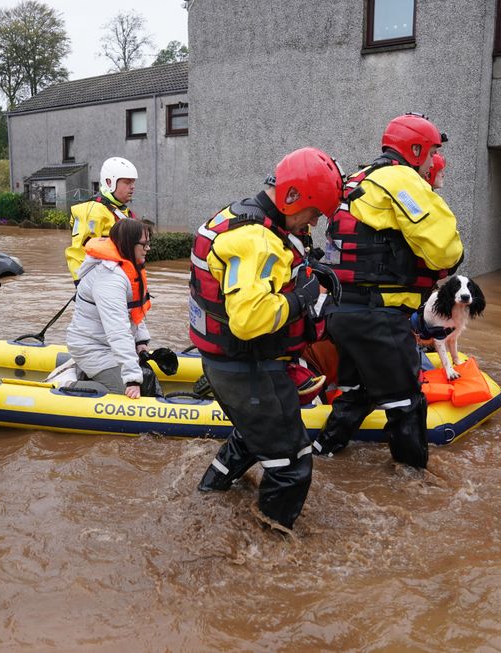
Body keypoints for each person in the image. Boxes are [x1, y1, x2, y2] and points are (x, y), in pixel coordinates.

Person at [190, 147, 344, 530]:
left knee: (253, 435)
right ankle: (271, 555)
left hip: (234, 361)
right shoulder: (257, 240)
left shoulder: (242, 214)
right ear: (292, 197)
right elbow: (248, 319)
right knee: (292, 464)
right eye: (313, 213)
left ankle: (208, 494)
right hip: (244, 363)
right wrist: (302, 298)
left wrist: (310, 273)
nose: (312, 224)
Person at [314, 113, 464, 468]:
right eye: (430, 154)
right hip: (377, 315)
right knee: (407, 405)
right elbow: (445, 250)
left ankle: (324, 454)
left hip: (341, 313)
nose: (431, 164)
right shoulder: (401, 180)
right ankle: (413, 487)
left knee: (357, 393)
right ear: (415, 150)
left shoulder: (356, 178)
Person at [65, 218, 155, 398]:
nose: (148, 249)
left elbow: (134, 311)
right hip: (92, 347)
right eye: (144, 245)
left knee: (147, 382)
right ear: (129, 244)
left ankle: (89, 373)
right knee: (124, 394)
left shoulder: (128, 269)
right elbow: (118, 329)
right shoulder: (109, 279)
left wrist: (141, 342)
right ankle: (67, 384)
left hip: (106, 344)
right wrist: (131, 379)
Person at [65, 157, 138, 284]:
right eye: (127, 183)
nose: (132, 187)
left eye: (133, 182)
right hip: (101, 282)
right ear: (110, 182)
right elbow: (79, 252)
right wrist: (81, 284)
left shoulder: (123, 211)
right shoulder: (94, 211)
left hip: (121, 279)